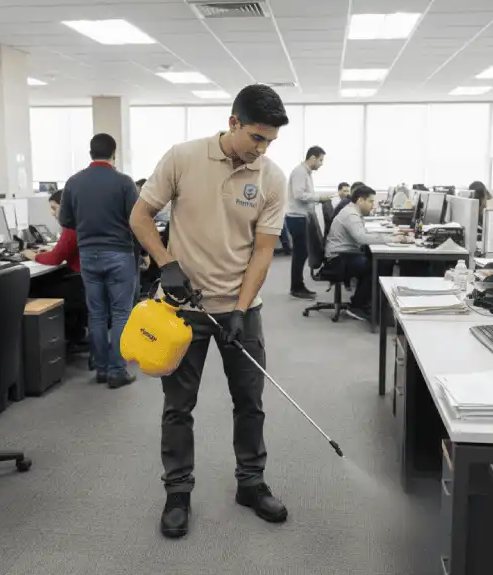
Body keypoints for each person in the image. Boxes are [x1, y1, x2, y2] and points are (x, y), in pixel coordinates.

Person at [130, 83, 290, 539]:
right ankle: (177, 492)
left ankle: (251, 483)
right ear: (233, 122)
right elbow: (140, 217)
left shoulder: (271, 178)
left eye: (270, 142)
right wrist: (166, 264)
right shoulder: (182, 157)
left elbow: (263, 252)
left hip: (241, 310)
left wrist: (241, 307)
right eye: (256, 137)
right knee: (178, 406)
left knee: (250, 403)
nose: (261, 150)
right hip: (182, 311)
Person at [60, 133, 138, 389]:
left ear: (90, 153)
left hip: (88, 255)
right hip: (119, 254)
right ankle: (117, 371)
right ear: (114, 153)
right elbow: (137, 220)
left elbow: (66, 221)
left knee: (96, 314)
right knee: (120, 314)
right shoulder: (124, 182)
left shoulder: (73, 182)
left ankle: (102, 370)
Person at [325, 185, 410, 319]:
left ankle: (372, 302)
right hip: (338, 258)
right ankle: (358, 306)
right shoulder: (351, 214)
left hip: (343, 253)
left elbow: (362, 234)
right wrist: (391, 238)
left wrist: (386, 235)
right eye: (370, 201)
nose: (373, 205)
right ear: (360, 200)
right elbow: (362, 238)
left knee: (380, 262)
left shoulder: (352, 211)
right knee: (377, 266)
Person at [25, 191, 85, 344]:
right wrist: (51, 251)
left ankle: (48, 341)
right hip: (86, 282)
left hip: (80, 286)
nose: (52, 213)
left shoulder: (71, 226)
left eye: (54, 208)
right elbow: (62, 252)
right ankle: (73, 332)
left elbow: (56, 259)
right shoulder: (81, 221)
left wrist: (33, 256)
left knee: (31, 289)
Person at [286, 146, 332, 299]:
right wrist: (319, 198)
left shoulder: (306, 173)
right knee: (301, 253)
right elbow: (298, 195)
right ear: (312, 158)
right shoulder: (300, 172)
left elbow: (305, 194)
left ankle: (298, 285)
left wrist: (317, 199)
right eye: (320, 160)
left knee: (302, 253)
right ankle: (296, 287)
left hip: (301, 216)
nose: (321, 164)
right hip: (296, 217)